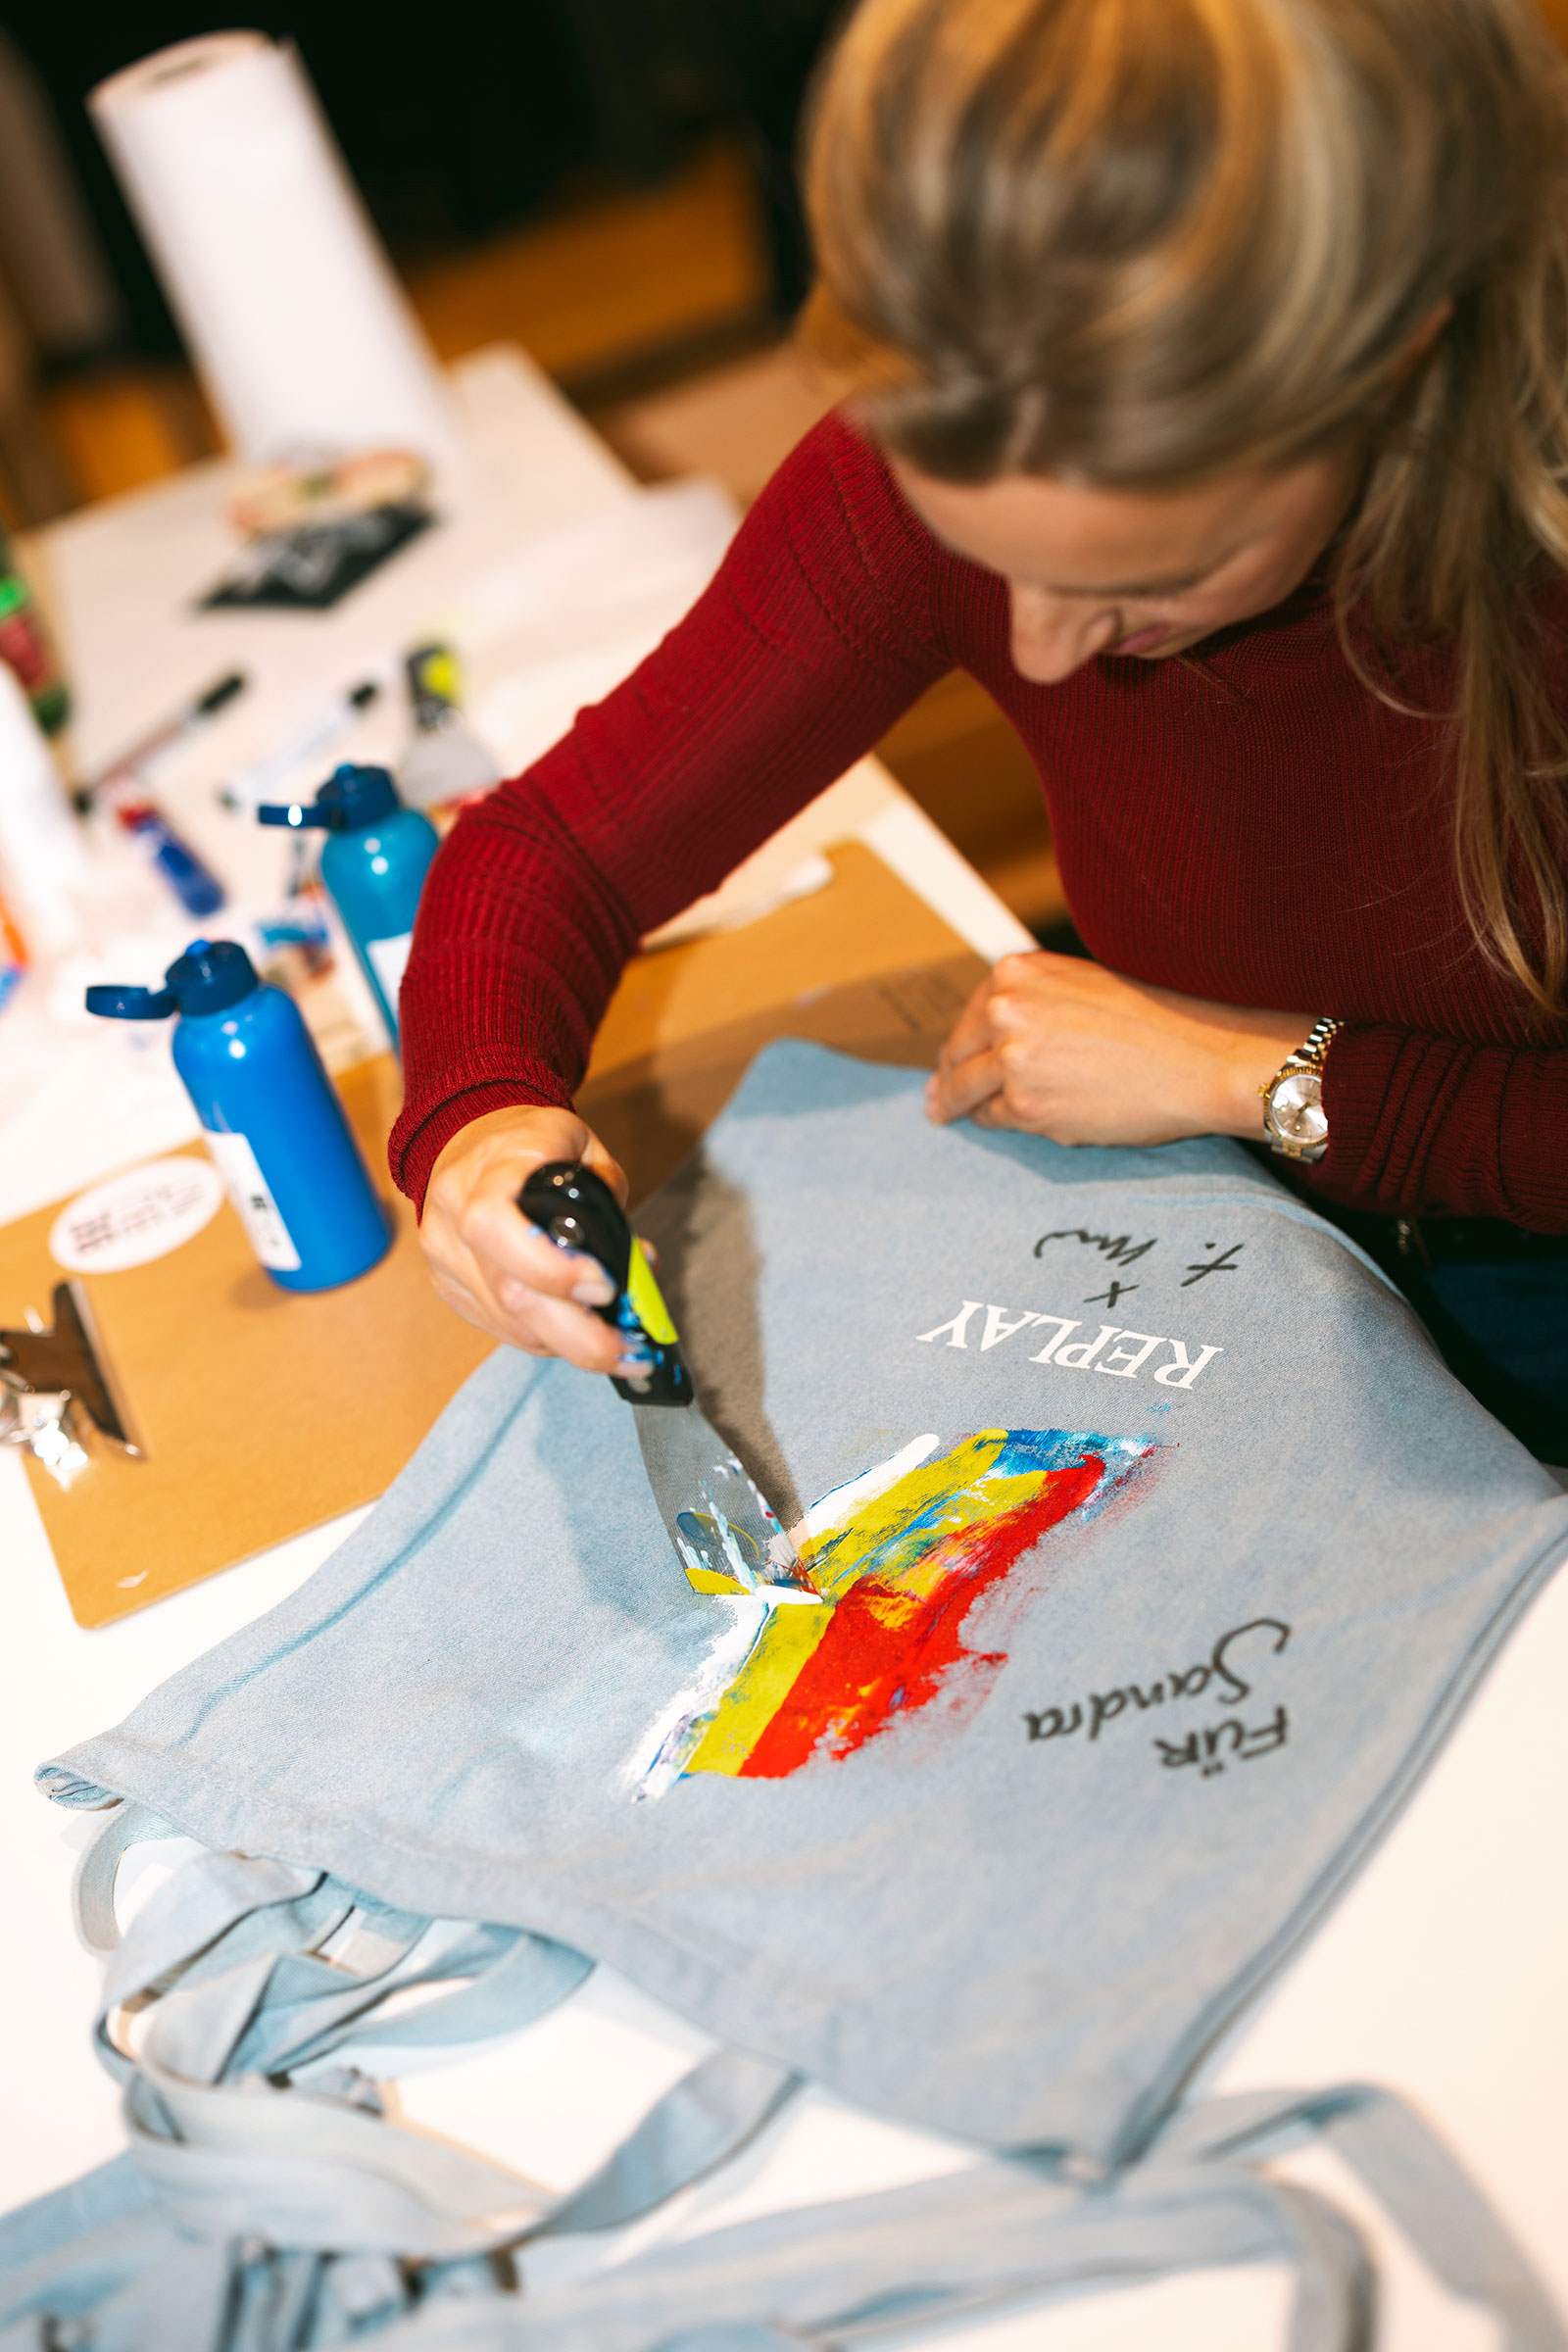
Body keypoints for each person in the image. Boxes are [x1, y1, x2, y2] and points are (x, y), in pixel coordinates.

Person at [394, 0, 1568, 1457]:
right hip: (1262, 1228)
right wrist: (479, 1120)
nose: (1038, 650)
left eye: (1146, 579)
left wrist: (1260, 1075)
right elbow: (553, 844)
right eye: (984, 555)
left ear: (1387, 369)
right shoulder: (967, 429)